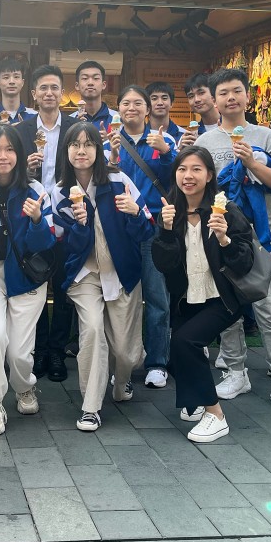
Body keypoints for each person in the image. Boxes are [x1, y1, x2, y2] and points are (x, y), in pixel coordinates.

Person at [194, 68, 271, 415]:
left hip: (262, 236)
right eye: (223, 93)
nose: (230, 98)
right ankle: (235, 372)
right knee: (226, 309)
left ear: (248, 96)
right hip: (219, 233)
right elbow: (197, 188)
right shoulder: (205, 143)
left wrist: (251, 163)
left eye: (237, 91)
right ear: (214, 100)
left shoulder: (267, 137)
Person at [53, 121, 153, 431]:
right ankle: (90, 407)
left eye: (88, 144)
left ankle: (121, 382)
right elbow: (66, 246)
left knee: (125, 351)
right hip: (84, 275)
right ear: (66, 151)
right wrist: (80, 225)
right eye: (74, 144)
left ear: (99, 149)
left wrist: (134, 213)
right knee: (93, 332)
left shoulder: (118, 180)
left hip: (121, 272)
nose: (81, 151)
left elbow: (145, 230)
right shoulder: (59, 192)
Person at [153, 146, 255, 443]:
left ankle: (216, 414)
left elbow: (245, 263)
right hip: (186, 298)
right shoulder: (171, 212)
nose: (188, 175)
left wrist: (224, 239)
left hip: (222, 298)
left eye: (196, 169)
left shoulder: (226, 211)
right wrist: (167, 230)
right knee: (178, 350)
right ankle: (195, 401)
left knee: (185, 342)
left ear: (209, 175)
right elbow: (163, 265)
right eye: (182, 169)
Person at [0, 125, 55, 435]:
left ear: (20, 153)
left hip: (26, 276)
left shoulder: (36, 190)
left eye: (10, 149)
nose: (3, 156)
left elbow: (45, 243)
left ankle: (24, 387)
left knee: (18, 352)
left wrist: (37, 219)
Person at [107, 85, 176, 389]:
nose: (131, 108)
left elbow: (177, 177)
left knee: (157, 295)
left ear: (148, 110)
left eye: (138, 103)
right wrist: (110, 157)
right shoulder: (109, 141)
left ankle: (157, 362)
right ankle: (123, 360)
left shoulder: (163, 140)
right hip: (119, 228)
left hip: (154, 226)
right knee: (120, 296)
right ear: (118, 109)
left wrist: (166, 152)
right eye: (126, 103)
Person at [16, 64, 78, 382]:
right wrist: (25, 169)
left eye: (55, 87)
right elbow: (10, 173)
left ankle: (57, 350)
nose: (49, 93)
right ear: (34, 93)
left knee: (64, 287)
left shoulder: (75, 128)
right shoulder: (21, 131)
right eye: (44, 88)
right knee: (36, 281)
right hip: (35, 217)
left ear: (62, 93)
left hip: (67, 215)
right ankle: (39, 349)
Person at [74, 60, 119, 132]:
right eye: (85, 78)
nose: (90, 83)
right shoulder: (70, 121)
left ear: (104, 85)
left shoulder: (118, 119)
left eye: (96, 78)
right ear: (77, 86)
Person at [0, 57, 36, 124]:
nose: (11, 81)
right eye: (6, 77)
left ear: (22, 82)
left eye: (16, 77)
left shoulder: (34, 116)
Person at [182, 73, 221, 141]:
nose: (196, 100)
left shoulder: (232, 126)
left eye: (201, 93)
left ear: (213, 93)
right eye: (191, 96)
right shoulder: (192, 134)